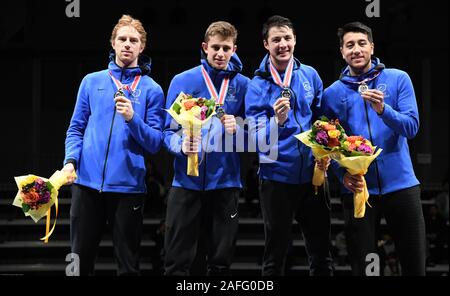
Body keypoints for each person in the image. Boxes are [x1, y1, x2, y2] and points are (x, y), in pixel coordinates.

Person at [321, 21, 426, 275]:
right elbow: (327, 145)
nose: (356, 49)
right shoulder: (332, 94)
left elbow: (411, 127)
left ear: (372, 47)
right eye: (349, 45)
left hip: (401, 186)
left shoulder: (398, 78)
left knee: (414, 265)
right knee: (364, 269)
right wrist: (341, 175)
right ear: (342, 52)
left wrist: (383, 110)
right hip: (358, 191)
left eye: (361, 43)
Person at [62, 15, 164, 275]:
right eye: (123, 39)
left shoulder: (152, 89)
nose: (128, 44)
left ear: (142, 47)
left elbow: (154, 142)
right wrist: (70, 161)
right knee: (78, 263)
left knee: (128, 266)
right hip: (86, 185)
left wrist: (132, 119)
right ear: (113, 43)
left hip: (128, 188)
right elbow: (76, 128)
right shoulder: (91, 81)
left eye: (134, 40)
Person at [245, 15, 334, 276]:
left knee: (321, 254)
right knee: (275, 256)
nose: (282, 44)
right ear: (266, 44)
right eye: (276, 39)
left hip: (313, 176)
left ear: (295, 40)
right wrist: (278, 122)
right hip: (276, 178)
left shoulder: (310, 75)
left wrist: (324, 151)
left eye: (286, 38)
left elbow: (322, 121)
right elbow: (257, 140)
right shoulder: (256, 86)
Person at [162, 21, 250, 276]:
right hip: (185, 182)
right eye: (215, 47)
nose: (220, 53)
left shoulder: (244, 85)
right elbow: (167, 131)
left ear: (234, 49)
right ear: (205, 47)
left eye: (226, 48)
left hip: (226, 183)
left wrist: (240, 129)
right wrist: (180, 145)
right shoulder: (183, 80)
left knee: (220, 263)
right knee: (177, 262)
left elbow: (256, 135)